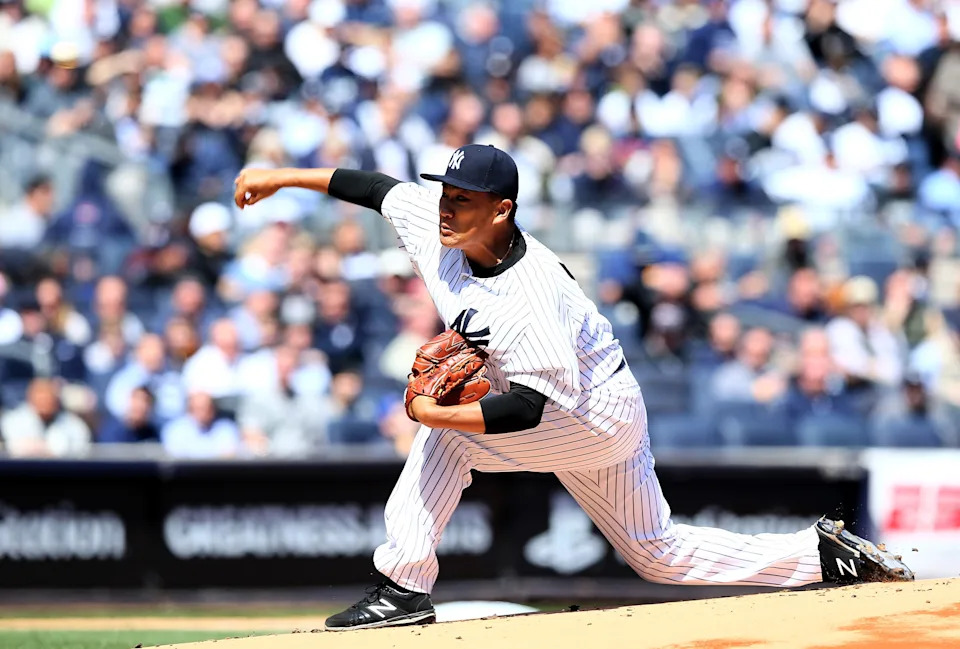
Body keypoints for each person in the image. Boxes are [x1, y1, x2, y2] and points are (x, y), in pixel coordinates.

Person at [234, 143, 914, 632]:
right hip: (598, 397)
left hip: (587, 410)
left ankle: (403, 585)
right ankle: (820, 554)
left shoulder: (529, 294)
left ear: (501, 211)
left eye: (462, 200)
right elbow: (373, 187)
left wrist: (432, 409)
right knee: (656, 552)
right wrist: (279, 176)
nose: (445, 207)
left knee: (445, 437)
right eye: (444, 192)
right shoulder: (439, 222)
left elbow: (526, 408)